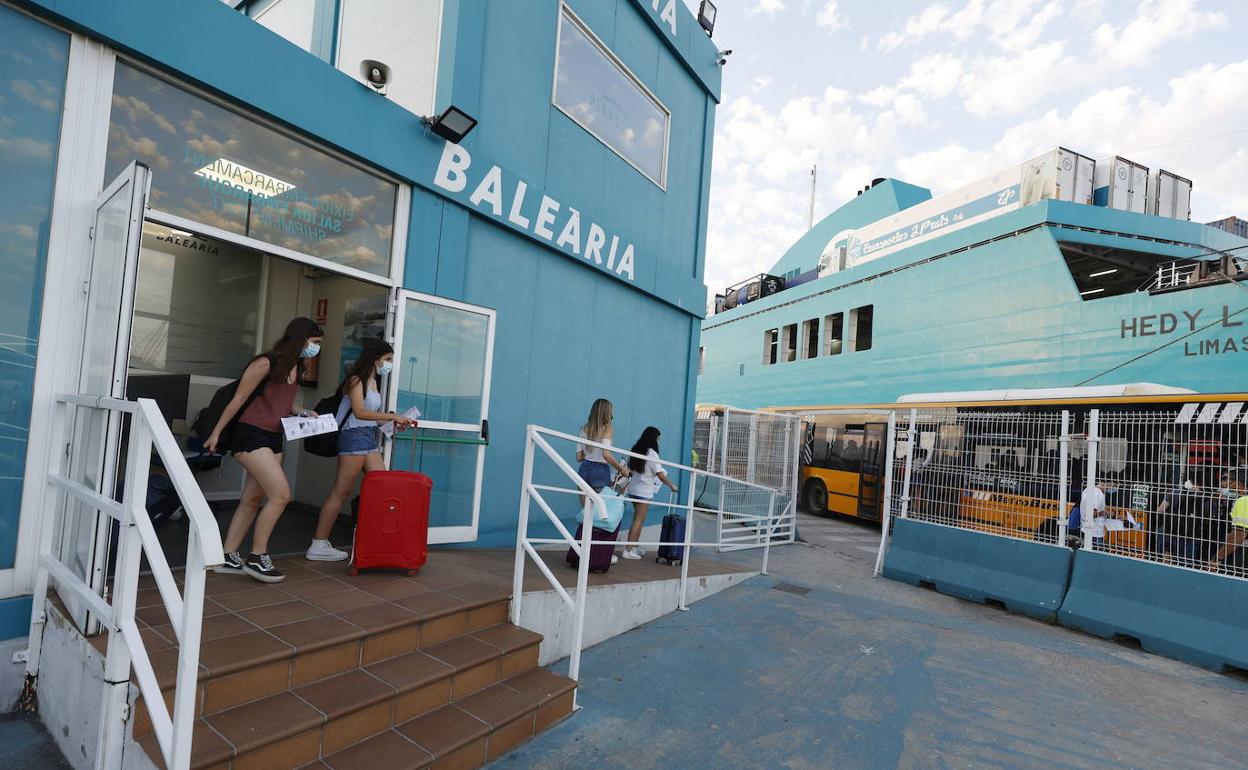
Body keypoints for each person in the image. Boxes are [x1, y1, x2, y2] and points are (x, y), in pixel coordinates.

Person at [206, 317, 323, 583]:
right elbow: (239, 399)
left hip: (274, 437)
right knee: (281, 495)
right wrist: (216, 432)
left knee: (252, 500)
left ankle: (227, 555)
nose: (316, 348)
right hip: (250, 435)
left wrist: (304, 412)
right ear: (301, 339)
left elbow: (284, 403)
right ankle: (258, 557)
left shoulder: (297, 367)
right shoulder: (266, 362)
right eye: (315, 342)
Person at [308, 339, 416, 562]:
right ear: (375, 359)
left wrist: (393, 423)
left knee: (385, 488)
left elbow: (369, 418)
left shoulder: (373, 382)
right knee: (341, 492)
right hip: (353, 438)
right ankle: (318, 544)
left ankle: (379, 538)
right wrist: (392, 415)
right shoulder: (356, 380)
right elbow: (359, 412)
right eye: (387, 359)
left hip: (368, 438)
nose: (389, 364)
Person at [620, 427, 678, 560]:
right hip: (644, 492)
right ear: (653, 439)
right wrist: (672, 485)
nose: (659, 441)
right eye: (658, 439)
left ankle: (633, 547)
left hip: (633, 490)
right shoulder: (652, 454)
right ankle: (628, 550)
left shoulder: (635, 449)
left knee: (638, 518)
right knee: (639, 520)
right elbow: (660, 475)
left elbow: (628, 469)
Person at [576, 398, 630, 504]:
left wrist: (590, 454)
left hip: (584, 468)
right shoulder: (607, 428)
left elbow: (578, 457)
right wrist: (621, 469)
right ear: (607, 412)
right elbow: (606, 454)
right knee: (602, 510)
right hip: (599, 470)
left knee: (586, 512)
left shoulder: (583, 429)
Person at [1152, 478, 1202, 565]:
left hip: (1170, 532)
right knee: (1185, 566)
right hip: (1189, 537)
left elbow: (1160, 510)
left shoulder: (1174, 493)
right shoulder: (1202, 496)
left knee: (1164, 563)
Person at [1208, 474, 1248, 570]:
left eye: (1231, 482)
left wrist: (1217, 558)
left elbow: (1238, 535)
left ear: (1239, 484)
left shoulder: (1243, 501)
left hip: (1242, 555)